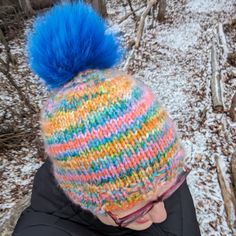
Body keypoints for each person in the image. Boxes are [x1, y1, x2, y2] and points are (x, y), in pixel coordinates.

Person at [12, 2, 201, 236]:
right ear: (87, 198)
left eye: (167, 191)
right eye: (137, 208)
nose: (161, 215)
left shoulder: (164, 177)